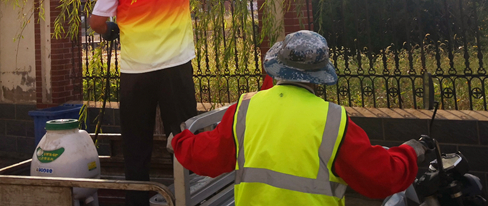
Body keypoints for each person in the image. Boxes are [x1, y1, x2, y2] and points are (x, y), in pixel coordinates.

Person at [89, 0, 239, 206]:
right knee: (185, 137)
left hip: (135, 74)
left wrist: (110, 30)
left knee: (136, 143)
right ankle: (191, 196)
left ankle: (136, 202)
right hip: (175, 68)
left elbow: (97, 21)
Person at [172, 30, 434, 205]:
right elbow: (381, 177)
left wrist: (179, 141)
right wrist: (410, 152)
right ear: (319, 75)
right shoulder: (333, 120)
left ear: (277, 67)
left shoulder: (245, 109)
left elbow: (207, 156)